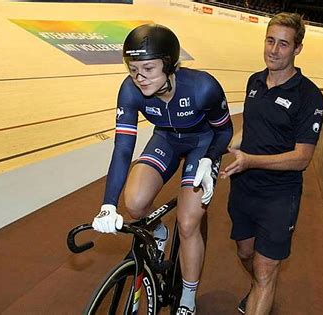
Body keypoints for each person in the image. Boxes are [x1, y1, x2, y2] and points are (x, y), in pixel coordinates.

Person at [91, 24, 233, 315]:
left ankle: (188, 298)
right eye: (132, 69)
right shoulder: (130, 90)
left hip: (203, 144)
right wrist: (108, 205)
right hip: (166, 139)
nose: (139, 77)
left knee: (189, 221)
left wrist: (212, 157)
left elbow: (225, 130)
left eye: (148, 68)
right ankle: (158, 231)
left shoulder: (203, 87)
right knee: (134, 203)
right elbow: (122, 148)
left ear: (170, 65)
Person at [221, 13, 323, 315]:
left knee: (265, 270)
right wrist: (223, 146)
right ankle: (259, 289)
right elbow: (252, 128)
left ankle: (261, 291)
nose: (274, 50)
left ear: (297, 49)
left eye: (283, 44)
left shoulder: (309, 96)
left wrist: (250, 160)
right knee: (246, 254)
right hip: (244, 189)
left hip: (279, 196)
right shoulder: (255, 81)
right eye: (270, 41)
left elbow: (302, 157)